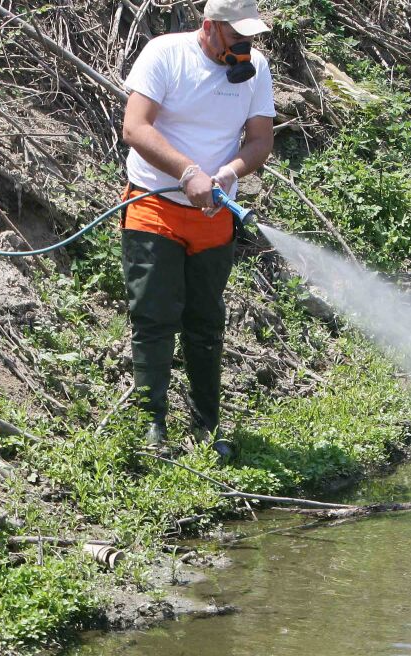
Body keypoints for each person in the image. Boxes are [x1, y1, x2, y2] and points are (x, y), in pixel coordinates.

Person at [119, 0, 275, 457]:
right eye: (236, 36)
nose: (245, 45)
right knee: (154, 316)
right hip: (155, 206)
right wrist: (187, 172)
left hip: (214, 216)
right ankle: (152, 426)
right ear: (209, 27)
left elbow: (261, 139)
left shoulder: (255, 68)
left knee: (206, 322)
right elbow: (135, 127)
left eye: (250, 36)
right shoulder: (165, 54)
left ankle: (207, 426)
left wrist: (229, 172)